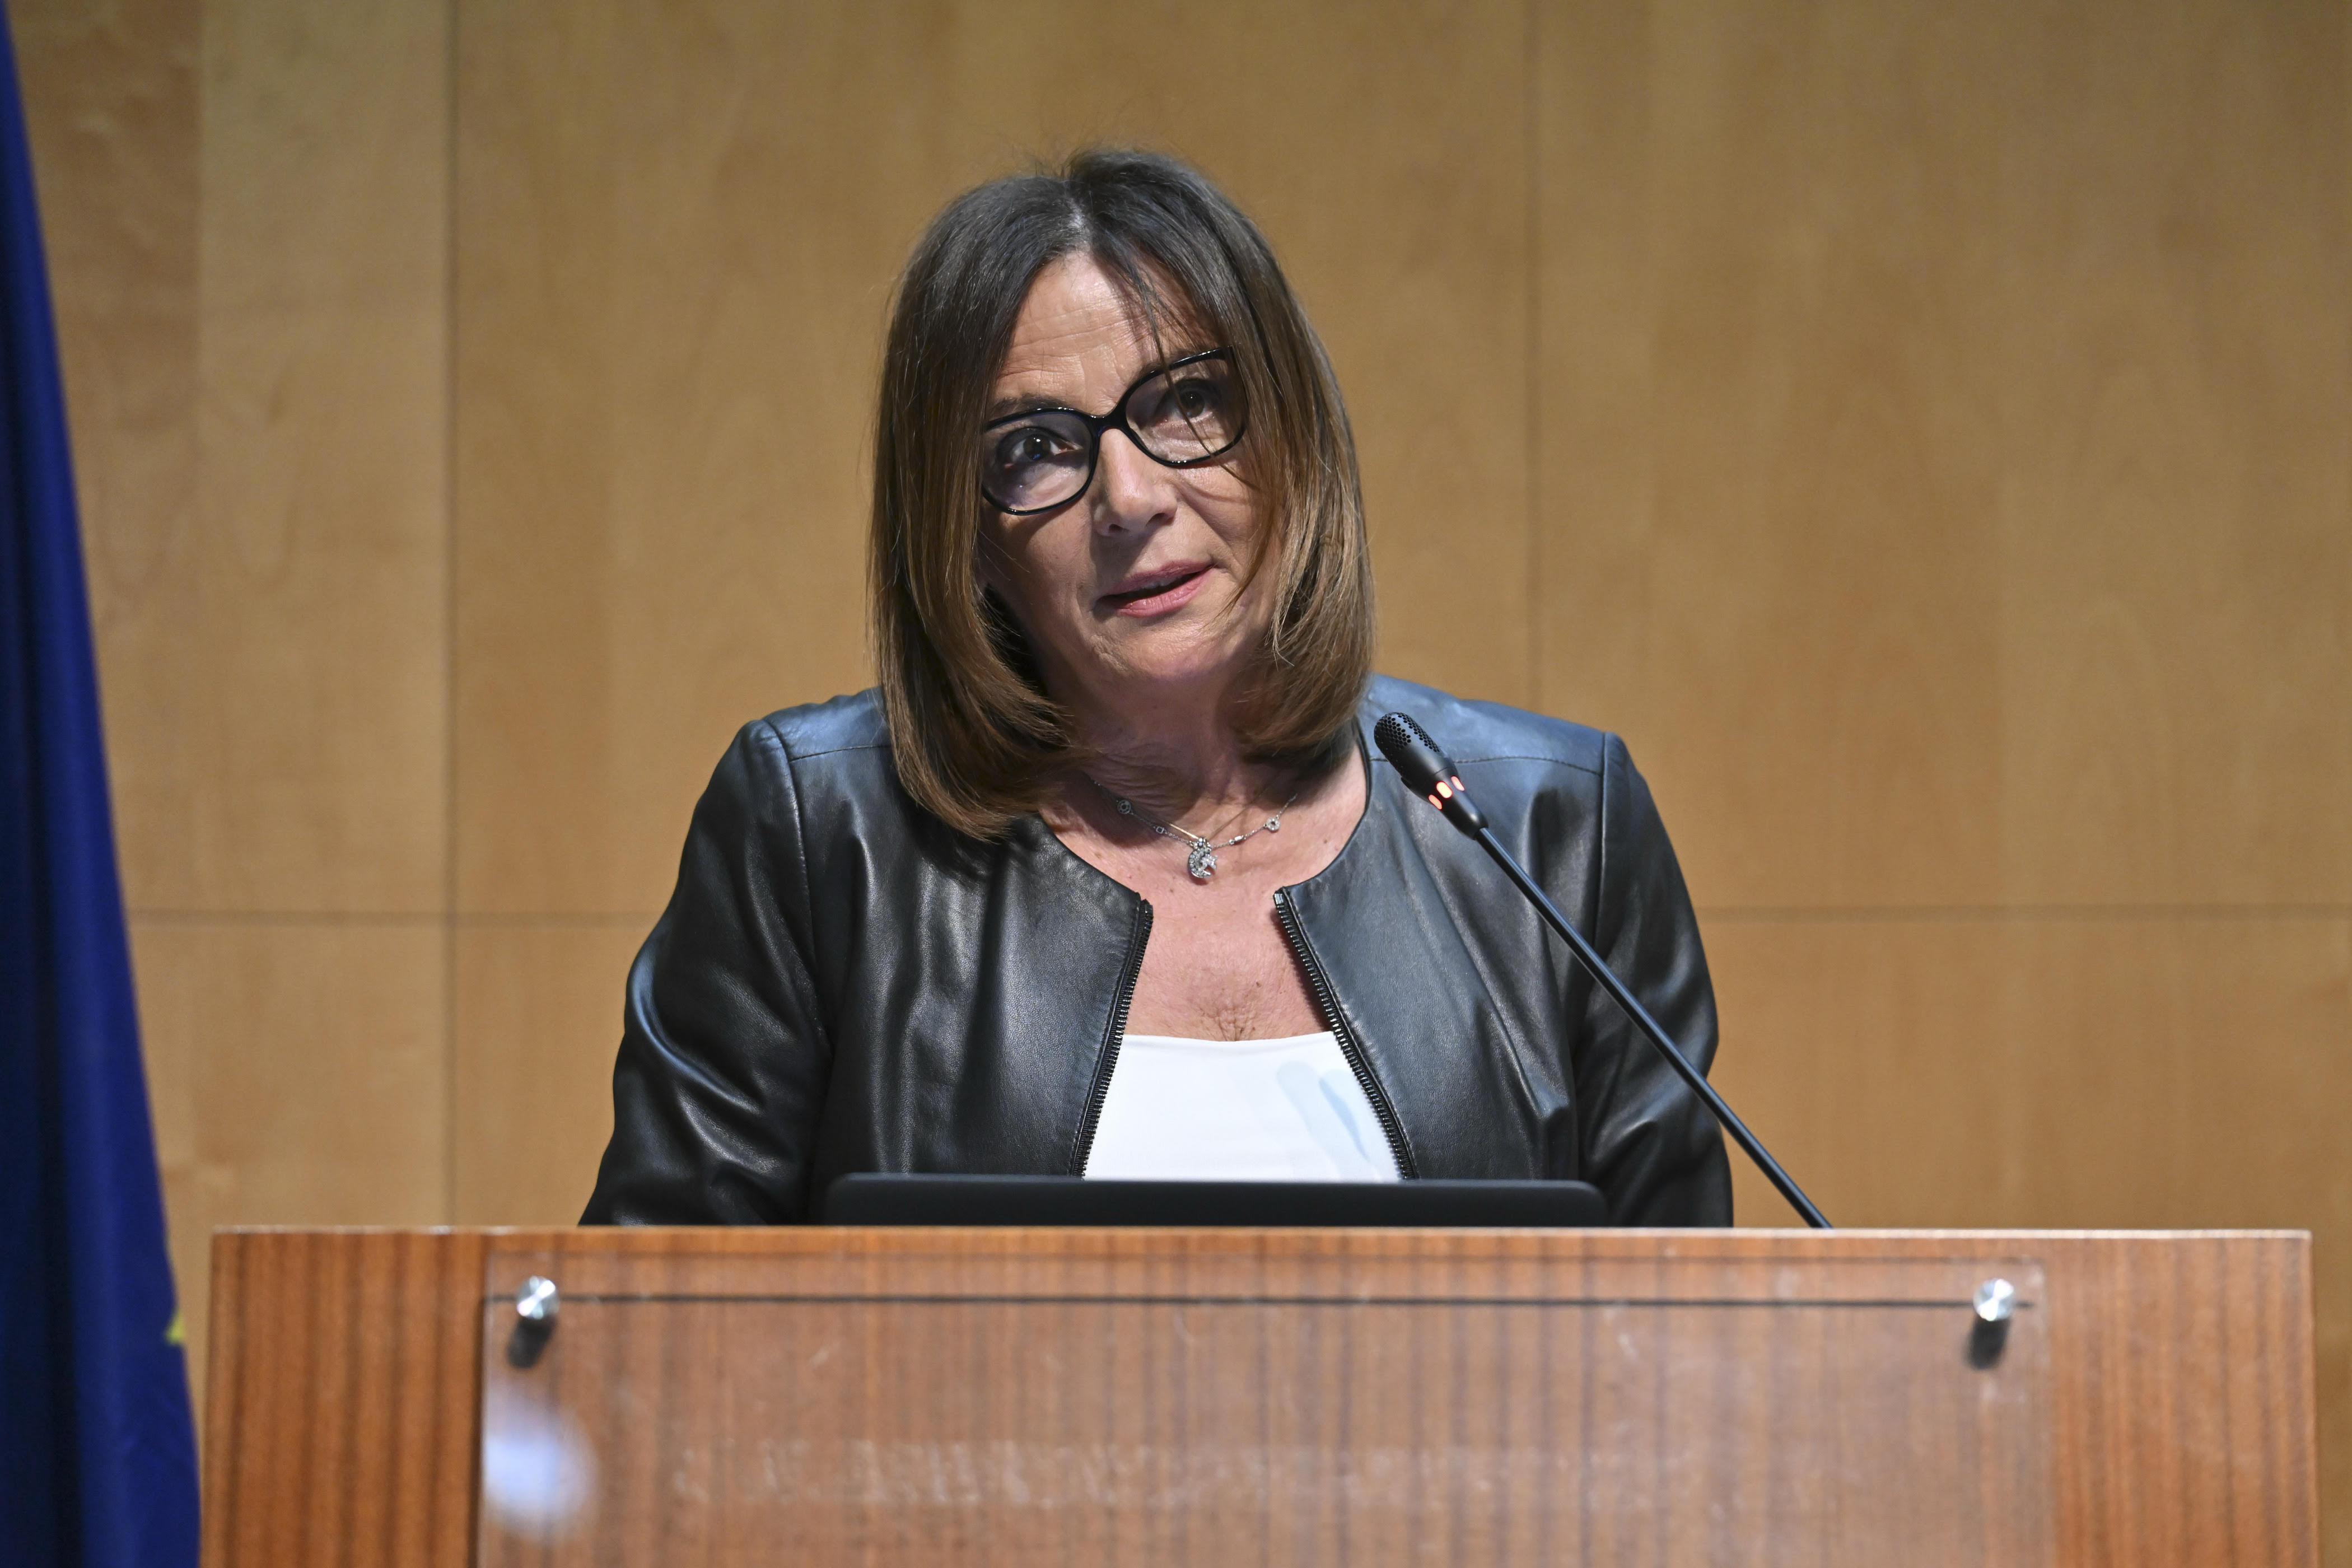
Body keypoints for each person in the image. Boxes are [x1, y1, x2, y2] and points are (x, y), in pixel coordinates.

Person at [582, 150, 1730, 1225]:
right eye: (1032, 447)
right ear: (965, 537)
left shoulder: (1551, 830)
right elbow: (647, 1330)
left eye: (1186, 401)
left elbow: (1692, 1343)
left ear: (1291, 439)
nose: (1129, 499)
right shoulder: (821, 832)